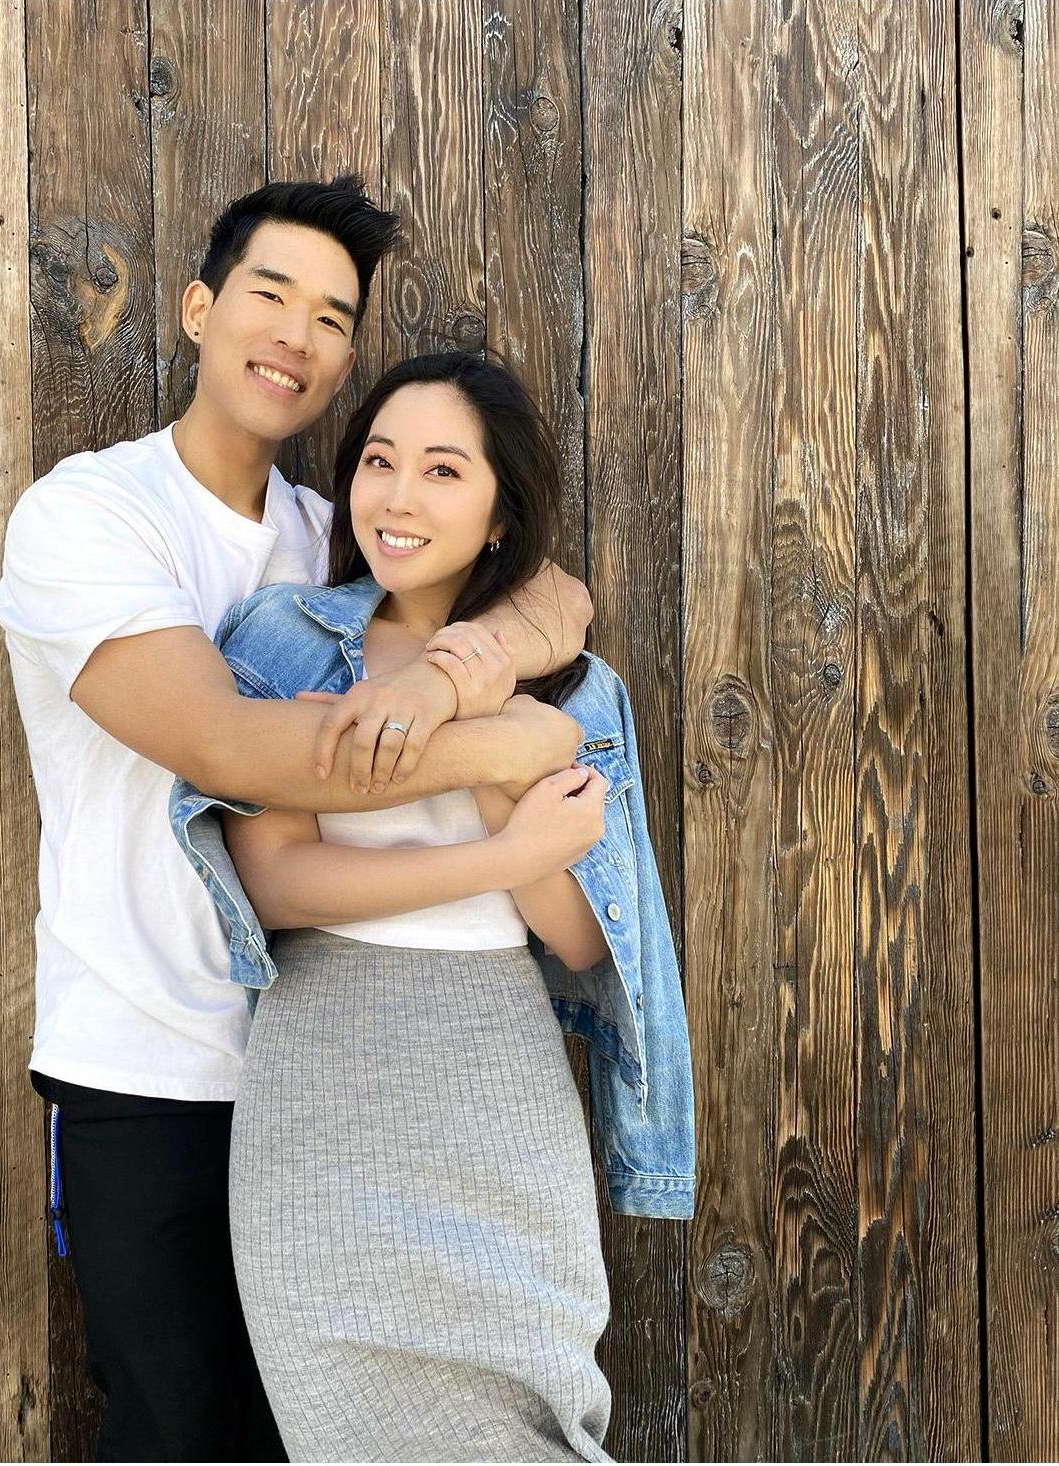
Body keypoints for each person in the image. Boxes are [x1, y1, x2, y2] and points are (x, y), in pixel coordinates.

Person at [0, 178, 597, 1461]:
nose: (296, 334)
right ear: (197, 310)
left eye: (331, 316)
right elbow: (225, 747)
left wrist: (443, 675)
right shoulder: (89, 513)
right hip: (150, 1059)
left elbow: (551, 594)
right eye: (269, 294)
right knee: (173, 1427)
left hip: (327, 1067)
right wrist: (503, 743)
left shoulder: (338, 538)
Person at [168, 352, 698, 1462]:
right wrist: (503, 839)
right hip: (318, 1085)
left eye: (443, 470)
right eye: (378, 461)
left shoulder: (575, 684)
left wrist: (490, 707)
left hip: (494, 1081)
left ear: (501, 513)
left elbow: (574, 934)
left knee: (529, 1418)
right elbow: (278, 884)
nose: (398, 497)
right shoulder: (281, 637)